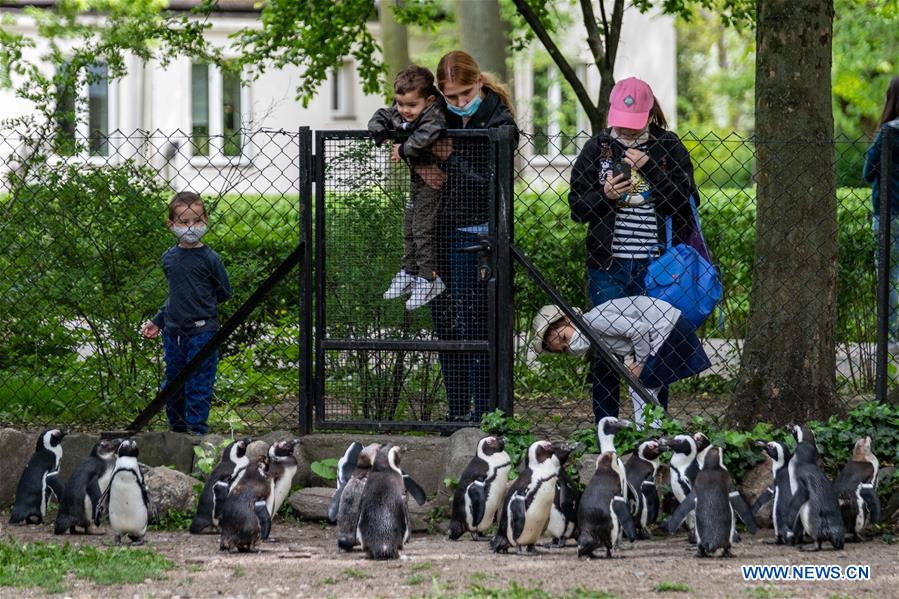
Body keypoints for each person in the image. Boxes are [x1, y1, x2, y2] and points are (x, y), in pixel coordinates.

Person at [568, 77, 698, 423]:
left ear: (649, 114)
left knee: (655, 346)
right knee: (606, 348)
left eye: (633, 125)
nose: (625, 131)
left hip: (656, 267)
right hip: (608, 267)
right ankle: (606, 426)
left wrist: (649, 167)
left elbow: (684, 202)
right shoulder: (597, 148)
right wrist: (606, 196)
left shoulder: (668, 146)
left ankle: (653, 427)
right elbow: (577, 207)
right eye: (621, 125)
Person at [415, 50, 518, 422]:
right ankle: (457, 412)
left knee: (475, 326)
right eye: (451, 96)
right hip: (438, 233)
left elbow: (492, 185)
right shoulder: (438, 115)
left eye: (465, 94)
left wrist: (450, 158)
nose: (459, 103)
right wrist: (421, 161)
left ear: (478, 82)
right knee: (445, 325)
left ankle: (483, 414)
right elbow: (405, 126)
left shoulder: (500, 121)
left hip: (477, 235)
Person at [531, 299, 710, 427]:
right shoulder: (594, 336)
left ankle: (650, 432)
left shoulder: (593, 321)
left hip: (667, 328)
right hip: (662, 332)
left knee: (641, 386)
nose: (569, 345)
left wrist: (640, 363)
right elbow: (628, 343)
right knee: (643, 387)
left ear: (568, 319)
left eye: (564, 337)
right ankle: (654, 429)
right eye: (563, 349)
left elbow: (639, 329)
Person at [141, 191, 232, 434]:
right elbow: (176, 295)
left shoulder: (211, 259)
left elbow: (224, 292)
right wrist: (159, 320)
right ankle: (177, 430)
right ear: (171, 224)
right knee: (174, 382)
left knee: (199, 383)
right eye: (184, 221)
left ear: (206, 220)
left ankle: (196, 431)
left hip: (203, 332)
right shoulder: (169, 258)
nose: (191, 227)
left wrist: (200, 306)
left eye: (197, 220)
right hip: (173, 334)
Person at [368, 65, 448, 310]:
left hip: (434, 181)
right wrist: (381, 133)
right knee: (409, 226)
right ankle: (409, 272)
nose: (404, 110)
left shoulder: (434, 114)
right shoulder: (402, 111)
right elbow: (381, 115)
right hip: (417, 178)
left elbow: (425, 136)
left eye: (411, 105)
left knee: (423, 228)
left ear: (429, 100)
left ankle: (429, 278)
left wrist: (402, 148)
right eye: (400, 103)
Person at [863, 76, 899, 354]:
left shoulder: (888, 133)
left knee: (889, 275)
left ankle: (893, 337)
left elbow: (868, 172)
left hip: (889, 213)